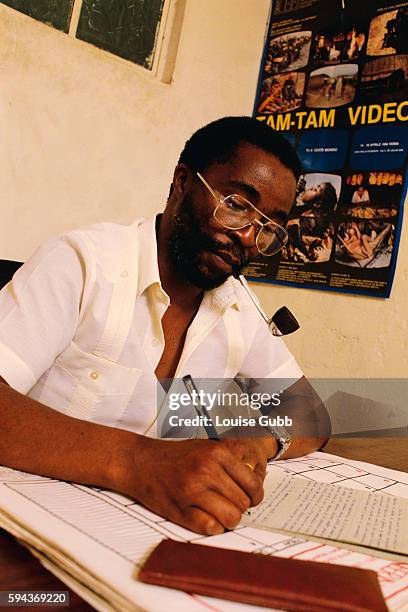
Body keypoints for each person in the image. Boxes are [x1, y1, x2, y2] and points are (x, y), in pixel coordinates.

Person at [0, 116, 331, 536]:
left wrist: (261, 439)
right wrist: (141, 461)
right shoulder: (83, 263)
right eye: (235, 205)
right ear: (181, 181)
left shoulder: (236, 305)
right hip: (23, 530)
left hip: (137, 534)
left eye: (268, 227)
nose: (248, 237)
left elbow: (312, 416)